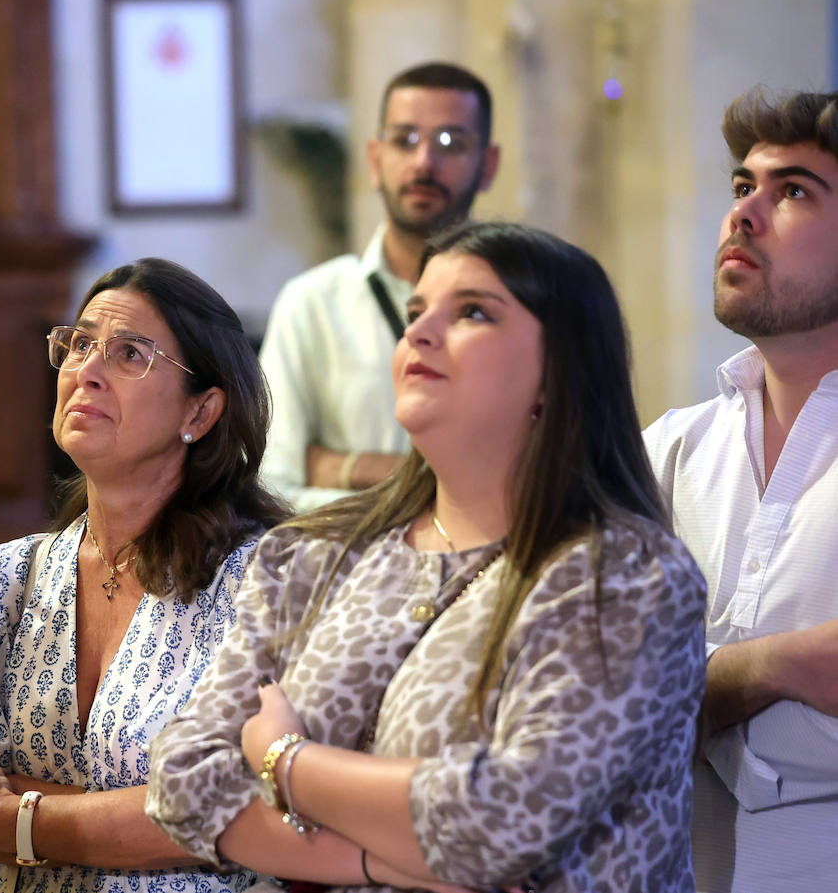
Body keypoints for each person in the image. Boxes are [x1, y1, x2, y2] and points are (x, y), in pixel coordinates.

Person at [148, 223, 708, 893]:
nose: (419, 332)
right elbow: (182, 778)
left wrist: (281, 757)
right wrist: (376, 861)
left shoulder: (623, 577)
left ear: (559, 373)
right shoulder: (311, 555)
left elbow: (499, 822)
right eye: (415, 312)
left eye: (472, 311)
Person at [0, 257, 289, 893]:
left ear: (202, 412)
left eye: (129, 355)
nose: (88, 372)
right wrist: (130, 814)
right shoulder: (8, 577)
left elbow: (244, 812)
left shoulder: (257, 581)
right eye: (79, 344)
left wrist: (16, 818)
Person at [641, 88, 838, 892]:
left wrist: (690, 687)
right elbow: (588, 689)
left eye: (792, 191)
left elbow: (649, 690)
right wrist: (779, 666)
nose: (744, 214)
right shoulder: (671, 448)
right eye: (740, 187)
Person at [259, 61, 500, 510]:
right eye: (405, 140)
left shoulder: (518, 306)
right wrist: (413, 492)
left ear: (487, 166)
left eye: (450, 142)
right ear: (375, 160)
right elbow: (273, 490)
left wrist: (347, 468)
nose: (424, 161)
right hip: (350, 573)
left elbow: (529, 473)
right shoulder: (312, 304)